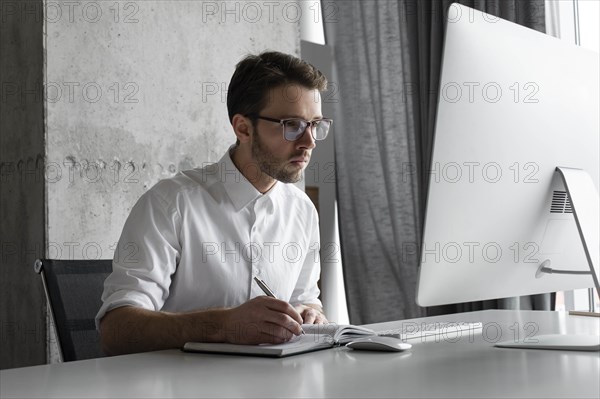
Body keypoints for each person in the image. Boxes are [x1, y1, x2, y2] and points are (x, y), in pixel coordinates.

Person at [97, 51, 333, 355]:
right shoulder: (171, 204)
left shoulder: (302, 211)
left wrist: (310, 313)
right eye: (293, 125)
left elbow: (305, 298)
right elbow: (116, 330)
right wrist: (223, 325)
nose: (309, 141)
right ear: (243, 128)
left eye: (315, 124)